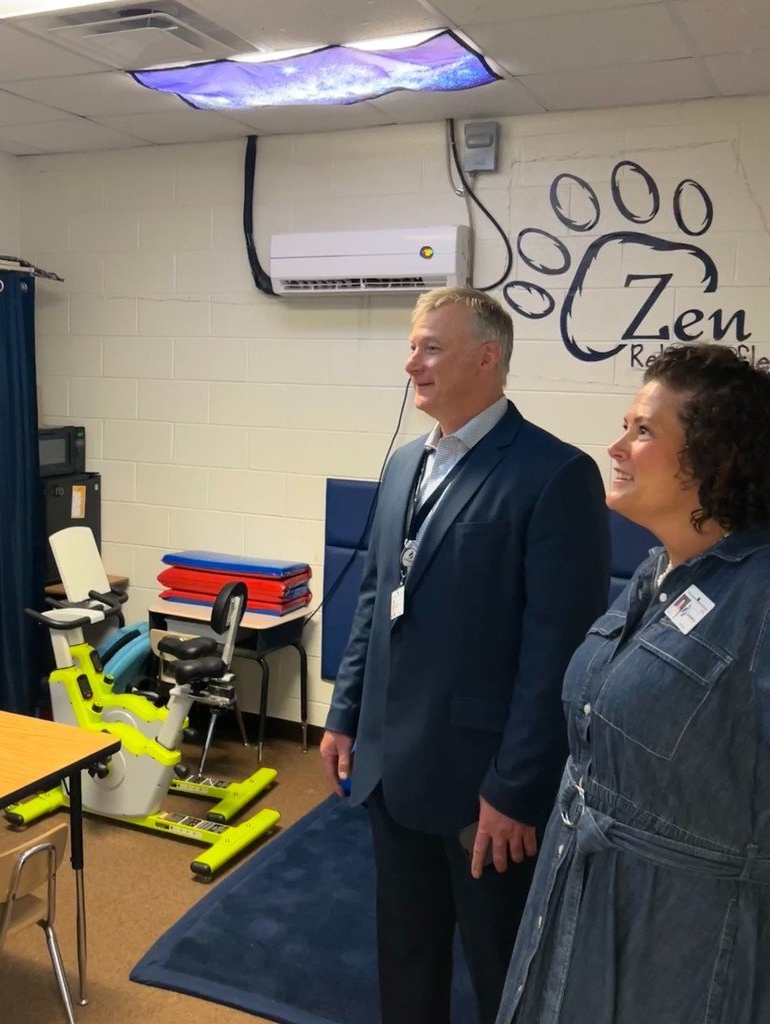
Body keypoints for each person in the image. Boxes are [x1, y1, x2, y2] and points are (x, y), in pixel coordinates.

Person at [320, 287, 610, 1024]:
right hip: (390, 768)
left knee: (500, 969)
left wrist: (516, 787)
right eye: (413, 345)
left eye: (431, 347)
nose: (410, 362)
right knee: (407, 955)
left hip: (483, 786)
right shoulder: (402, 466)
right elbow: (372, 603)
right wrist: (345, 713)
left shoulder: (553, 475)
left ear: (488, 357)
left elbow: (558, 653)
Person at [498, 344, 770, 1023]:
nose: (616, 446)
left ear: (718, 456)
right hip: (582, 896)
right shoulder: (657, 572)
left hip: (685, 937)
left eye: (643, 430)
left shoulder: (761, 596)